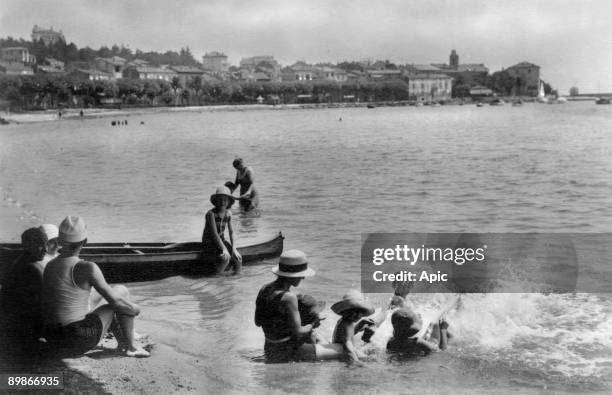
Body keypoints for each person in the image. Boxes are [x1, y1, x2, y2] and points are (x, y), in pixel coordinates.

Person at [42, 216, 149, 357]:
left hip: (53, 338)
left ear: (60, 241)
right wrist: (135, 309)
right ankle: (132, 346)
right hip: (75, 339)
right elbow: (117, 303)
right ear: (85, 241)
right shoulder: (87, 267)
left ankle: (125, 342)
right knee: (118, 299)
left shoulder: (49, 265)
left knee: (115, 293)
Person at [254, 250, 316, 362]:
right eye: (301, 275)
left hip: (269, 348)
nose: (303, 278)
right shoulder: (289, 298)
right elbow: (298, 332)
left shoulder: (264, 289)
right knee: (333, 352)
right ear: (291, 276)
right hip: (286, 351)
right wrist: (312, 323)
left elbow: (257, 322)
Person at [0, 227, 49, 351]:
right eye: (40, 245)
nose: (46, 249)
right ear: (27, 246)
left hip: (14, 329)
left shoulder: (19, 262)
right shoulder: (33, 269)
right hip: (25, 333)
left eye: (46, 244)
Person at [201, 186, 242, 274]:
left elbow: (231, 232)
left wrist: (234, 248)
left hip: (221, 241)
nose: (222, 202)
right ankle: (217, 279)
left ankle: (236, 278)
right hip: (209, 242)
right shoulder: (211, 214)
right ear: (215, 201)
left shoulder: (228, 213)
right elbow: (215, 234)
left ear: (228, 202)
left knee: (238, 258)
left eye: (225, 200)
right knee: (225, 258)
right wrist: (224, 249)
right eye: (220, 199)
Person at [330, 290, 376, 362]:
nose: (358, 315)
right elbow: (348, 347)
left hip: (345, 349)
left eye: (361, 312)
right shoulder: (345, 324)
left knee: (372, 350)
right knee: (372, 357)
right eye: (355, 312)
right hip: (343, 352)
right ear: (346, 311)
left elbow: (349, 334)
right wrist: (358, 363)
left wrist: (361, 323)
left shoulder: (347, 321)